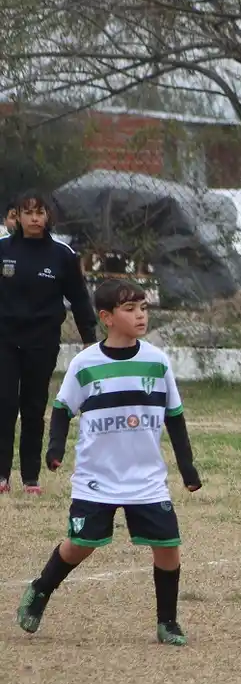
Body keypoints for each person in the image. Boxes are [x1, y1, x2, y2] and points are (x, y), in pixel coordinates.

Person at [14, 278, 200, 644]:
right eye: (130, 309)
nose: (140, 315)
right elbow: (63, 408)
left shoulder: (157, 362)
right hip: (96, 476)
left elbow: (174, 416)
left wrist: (187, 466)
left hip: (146, 477)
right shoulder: (85, 363)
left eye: (143, 308)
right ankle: (40, 590)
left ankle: (167, 622)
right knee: (79, 545)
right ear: (107, 318)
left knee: (168, 546)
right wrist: (54, 448)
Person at [0, 191, 96, 495]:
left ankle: (30, 478)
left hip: (42, 341)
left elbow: (80, 300)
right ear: (16, 216)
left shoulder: (62, 255)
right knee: (4, 404)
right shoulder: (3, 250)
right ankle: (2, 476)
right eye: (26, 213)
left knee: (33, 407)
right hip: (4, 339)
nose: (34, 218)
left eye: (39, 212)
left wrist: (90, 342)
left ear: (48, 216)